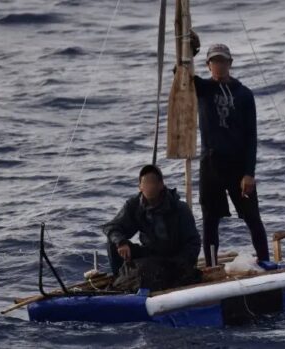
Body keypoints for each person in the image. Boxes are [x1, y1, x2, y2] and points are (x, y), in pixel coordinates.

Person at [190, 39, 270, 266]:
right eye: (214, 62)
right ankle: (212, 266)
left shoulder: (244, 94)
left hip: (237, 165)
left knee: (252, 217)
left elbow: (251, 136)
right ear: (208, 65)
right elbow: (181, 72)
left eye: (223, 62)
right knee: (210, 220)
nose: (218, 66)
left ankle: (264, 261)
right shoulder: (203, 89)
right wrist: (189, 49)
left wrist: (249, 173)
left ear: (230, 63)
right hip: (211, 164)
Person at [103, 165, 201, 289]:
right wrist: (121, 242)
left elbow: (193, 242)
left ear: (161, 185)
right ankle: (120, 280)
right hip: (149, 253)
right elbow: (112, 227)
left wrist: (180, 264)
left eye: (152, 183)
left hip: (173, 257)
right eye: (145, 183)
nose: (149, 187)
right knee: (112, 242)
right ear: (140, 187)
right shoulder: (134, 206)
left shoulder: (179, 208)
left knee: (156, 271)